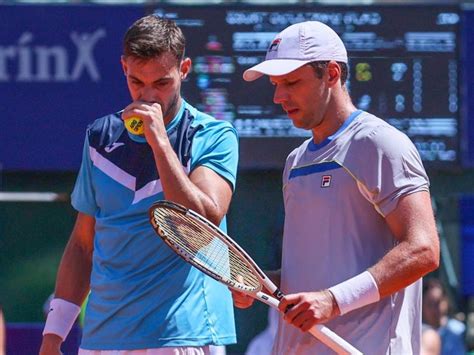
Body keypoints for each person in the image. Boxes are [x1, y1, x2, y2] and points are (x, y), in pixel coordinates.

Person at [232, 21, 440, 354]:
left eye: (291, 82)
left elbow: (423, 250)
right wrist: (264, 284)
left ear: (331, 74)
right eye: (275, 84)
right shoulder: (296, 161)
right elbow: (318, 269)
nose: (278, 96)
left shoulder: (379, 143)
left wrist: (333, 301)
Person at [40, 15, 238, 355]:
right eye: (136, 82)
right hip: (104, 339)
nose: (148, 96)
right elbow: (83, 245)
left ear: (184, 69)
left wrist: (160, 142)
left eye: (161, 83)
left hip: (181, 336)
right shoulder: (100, 137)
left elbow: (204, 224)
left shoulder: (213, 136)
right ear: (123, 68)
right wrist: (52, 336)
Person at [422, 278, 466, 355]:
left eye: (438, 302)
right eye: (430, 304)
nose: (434, 309)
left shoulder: (459, 330)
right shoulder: (418, 333)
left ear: (446, 302)